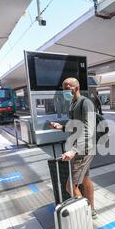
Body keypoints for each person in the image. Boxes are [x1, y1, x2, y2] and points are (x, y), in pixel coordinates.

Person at [49, 78, 97, 218]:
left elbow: (89, 129)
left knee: (70, 186)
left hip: (83, 149)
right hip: (79, 147)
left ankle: (86, 214)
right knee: (86, 179)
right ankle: (91, 210)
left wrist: (73, 151)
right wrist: (62, 127)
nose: (65, 91)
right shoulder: (73, 103)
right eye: (63, 89)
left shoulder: (86, 103)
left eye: (67, 88)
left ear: (76, 88)